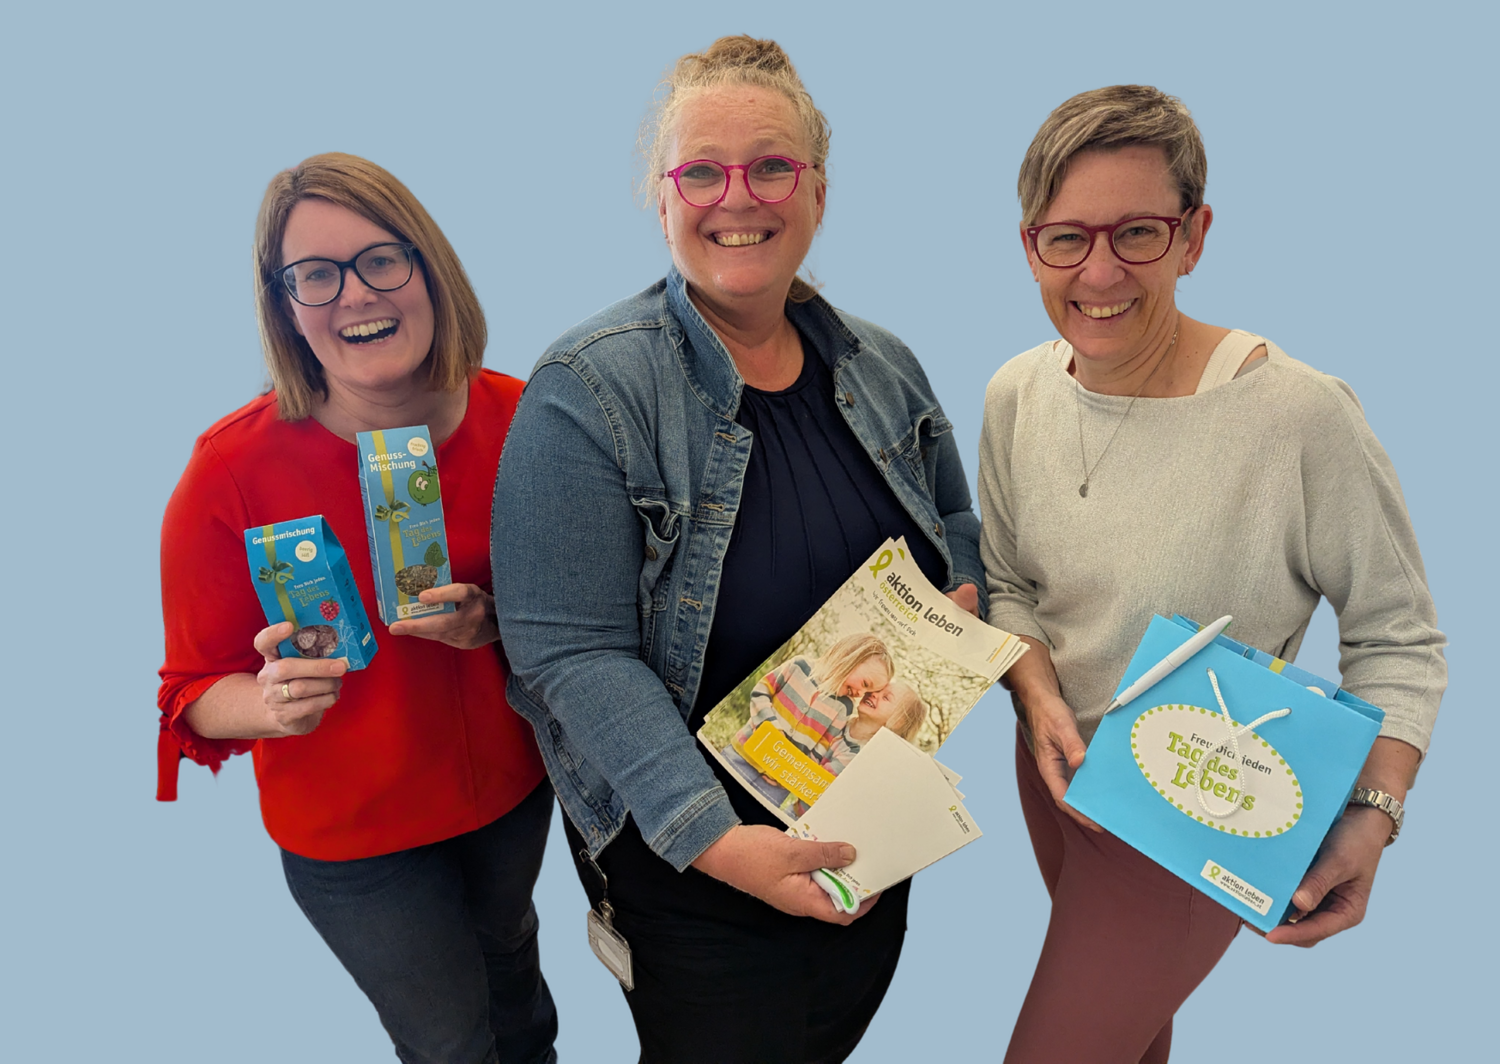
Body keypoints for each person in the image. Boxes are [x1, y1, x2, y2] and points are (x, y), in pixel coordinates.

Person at [491, 35, 984, 1064]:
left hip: (867, 829)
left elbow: (954, 520)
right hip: (689, 864)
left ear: (818, 191)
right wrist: (716, 841)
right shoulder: (587, 387)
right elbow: (566, 650)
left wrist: (962, 602)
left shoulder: (885, 365)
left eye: (770, 167)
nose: (737, 198)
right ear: (660, 196)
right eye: (702, 173)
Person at [978, 86, 1446, 1063]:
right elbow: (1011, 583)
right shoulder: (1017, 392)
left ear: (1193, 236)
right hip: (1052, 772)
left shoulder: (1299, 416)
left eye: (1137, 232)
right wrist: (1036, 696)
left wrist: (1373, 813)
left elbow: (1398, 637)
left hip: (1199, 808)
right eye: (1067, 238)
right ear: (1030, 247)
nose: (1099, 270)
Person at [156, 153, 557, 1064]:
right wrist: (268, 703)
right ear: (286, 307)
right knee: (451, 1043)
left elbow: (589, 613)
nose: (355, 294)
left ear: (430, 268)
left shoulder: (528, 420)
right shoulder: (227, 472)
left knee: (517, 984)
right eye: (316, 275)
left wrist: (493, 619)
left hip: (510, 794)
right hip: (356, 841)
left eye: (381, 259)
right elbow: (189, 694)